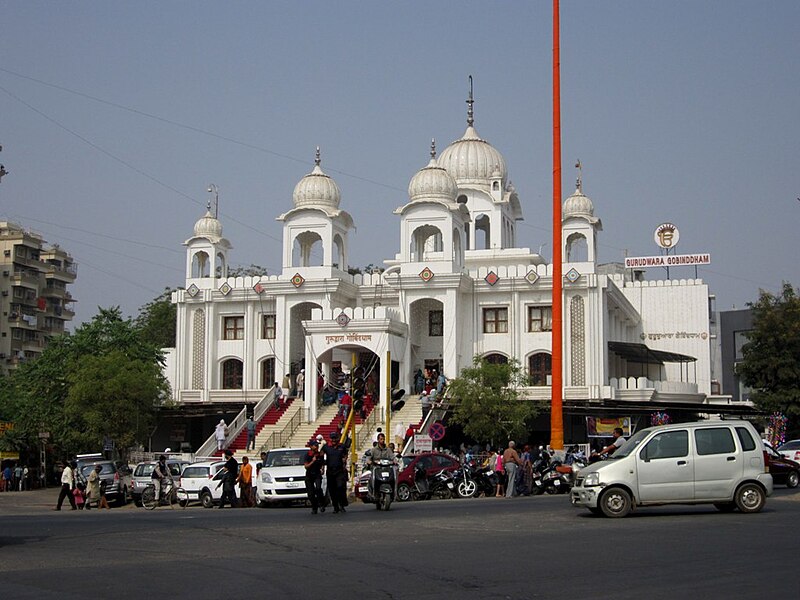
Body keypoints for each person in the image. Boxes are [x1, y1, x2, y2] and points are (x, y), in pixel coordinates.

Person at [322, 431, 348, 513]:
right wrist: (322, 466)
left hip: (339, 471)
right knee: (332, 490)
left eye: (335, 438)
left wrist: (345, 459)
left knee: (340, 487)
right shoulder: (326, 447)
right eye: (332, 438)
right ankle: (335, 506)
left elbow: (345, 454)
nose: (333, 440)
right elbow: (321, 455)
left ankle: (341, 505)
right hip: (330, 471)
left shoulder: (341, 447)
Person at [304, 439, 325, 514]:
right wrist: (312, 461)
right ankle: (314, 507)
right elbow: (306, 466)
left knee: (318, 488)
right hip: (309, 475)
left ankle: (321, 503)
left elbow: (322, 463)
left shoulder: (320, 454)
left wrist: (322, 469)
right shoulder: (308, 455)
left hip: (317, 474)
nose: (316, 446)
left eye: (317, 445)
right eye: (315, 445)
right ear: (311, 446)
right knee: (311, 493)